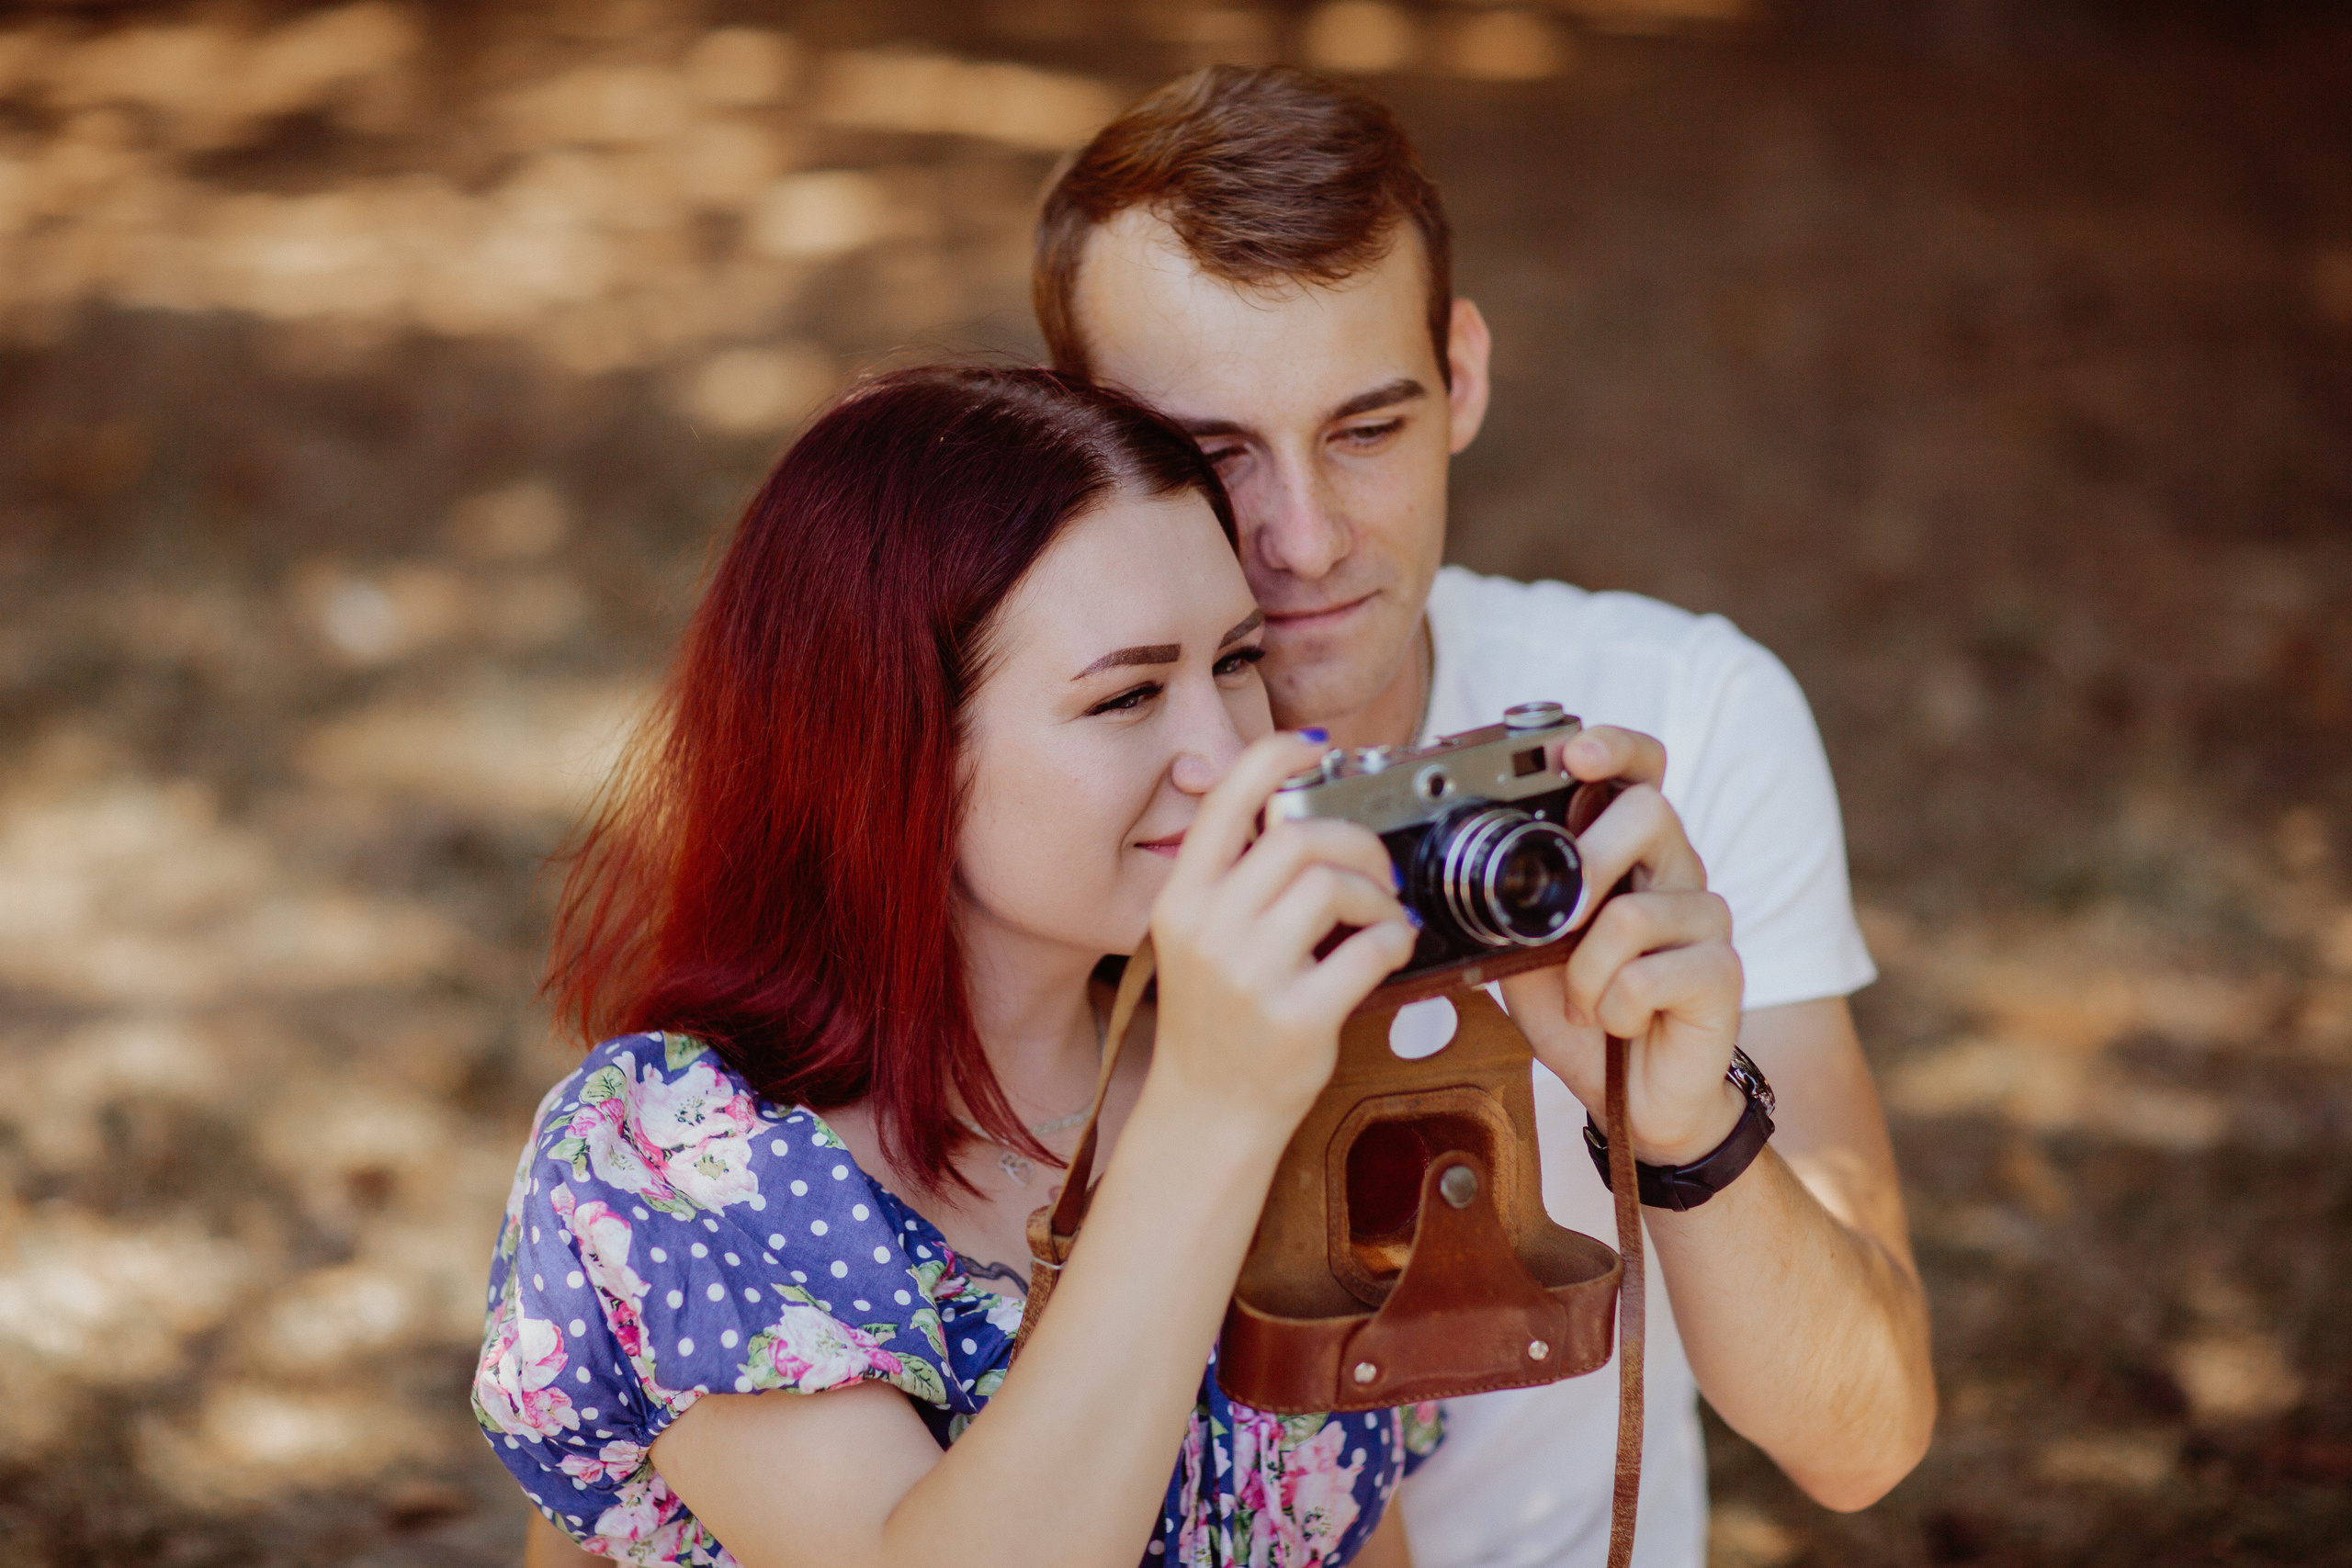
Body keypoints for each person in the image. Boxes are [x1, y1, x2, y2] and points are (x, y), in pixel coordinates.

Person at [1031, 66, 1936, 1567]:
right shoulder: (1017, 804)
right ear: (1079, 439)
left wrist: (1684, 1129)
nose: (1302, 541)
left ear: (1462, 377)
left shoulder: (1673, 717)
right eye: (1211, 453)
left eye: (1365, 428)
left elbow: (1865, 1441)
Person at [482, 367, 1481, 1568]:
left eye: (1234, 662)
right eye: (1125, 697)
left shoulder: (1290, 1068)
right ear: (889, 749)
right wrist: (1211, 1114)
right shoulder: (672, 1160)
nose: (1226, 756)